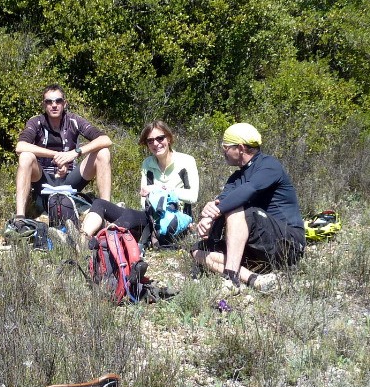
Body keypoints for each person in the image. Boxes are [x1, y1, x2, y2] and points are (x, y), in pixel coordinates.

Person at [193, 122, 304, 289]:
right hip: (258, 248)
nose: (223, 151)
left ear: (240, 148)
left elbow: (249, 190)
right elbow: (222, 200)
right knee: (197, 250)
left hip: (288, 244)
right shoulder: (236, 177)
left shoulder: (269, 165)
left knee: (239, 211)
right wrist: (208, 216)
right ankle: (254, 279)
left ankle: (230, 279)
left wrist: (216, 211)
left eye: (225, 147)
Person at [80, 120, 198, 245]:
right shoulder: (148, 164)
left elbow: (192, 196)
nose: (156, 143)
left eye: (160, 138)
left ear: (168, 138)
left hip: (176, 221)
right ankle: (82, 239)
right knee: (100, 204)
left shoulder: (187, 161)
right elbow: (144, 202)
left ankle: (102, 239)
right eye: (150, 141)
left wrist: (161, 189)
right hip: (151, 217)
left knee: (130, 216)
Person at [13, 84, 113, 222]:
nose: (54, 105)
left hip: (71, 181)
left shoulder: (73, 120)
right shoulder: (36, 122)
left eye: (58, 101)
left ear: (64, 103)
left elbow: (105, 139)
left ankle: (106, 213)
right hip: (44, 180)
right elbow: (20, 146)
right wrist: (56, 156)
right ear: (44, 105)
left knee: (103, 153)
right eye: (49, 101)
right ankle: (20, 218)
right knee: (25, 156)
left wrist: (75, 153)